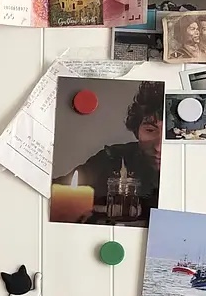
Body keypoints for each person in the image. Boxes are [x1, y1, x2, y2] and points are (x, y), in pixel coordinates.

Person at [54, 81, 163, 223]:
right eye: (150, 130)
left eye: (168, 136)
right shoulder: (113, 157)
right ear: (137, 129)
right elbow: (59, 189)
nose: (158, 147)